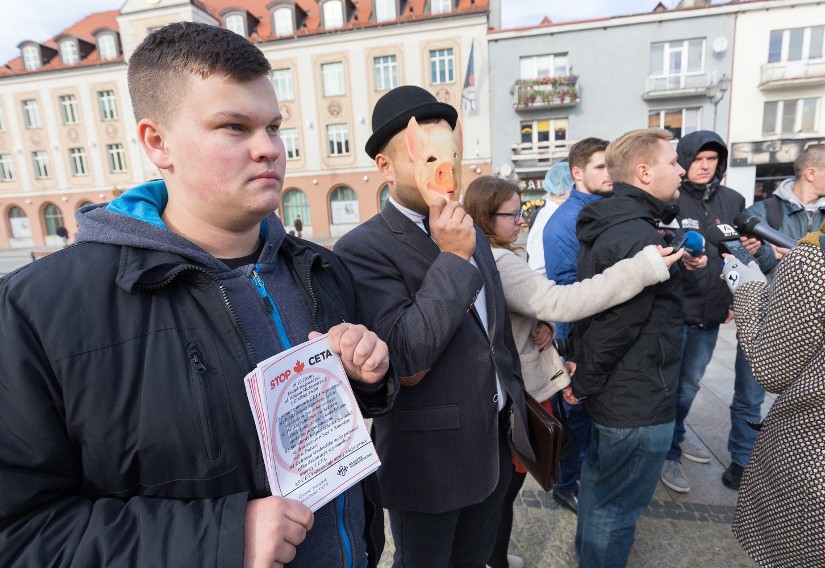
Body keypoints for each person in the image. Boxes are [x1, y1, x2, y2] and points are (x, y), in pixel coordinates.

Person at [0, 22, 398, 568]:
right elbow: (20, 532)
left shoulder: (319, 268)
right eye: (234, 127)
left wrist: (363, 376)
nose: (269, 150)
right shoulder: (39, 310)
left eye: (274, 126)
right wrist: (221, 539)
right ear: (156, 142)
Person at [334, 85, 535, 568]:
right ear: (385, 167)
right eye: (426, 159)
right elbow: (404, 360)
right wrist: (451, 257)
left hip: (492, 445)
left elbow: (495, 336)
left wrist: (516, 406)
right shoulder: (363, 249)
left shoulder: (467, 229)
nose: (447, 174)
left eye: (453, 156)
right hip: (429, 464)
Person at [463, 176, 682, 568]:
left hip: (505, 389)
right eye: (513, 214)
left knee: (501, 493)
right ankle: (491, 559)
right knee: (502, 493)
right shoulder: (501, 260)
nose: (521, 221)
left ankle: (493, 556)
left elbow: (511, 314)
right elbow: (563, 301)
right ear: (485, 216)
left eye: (522, 212)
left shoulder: (485, 254)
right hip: (516, 394)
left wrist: (535, 323)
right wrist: (642, 268)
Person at [721, 105, 825, 567]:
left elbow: (772, 371)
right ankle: (738, 456)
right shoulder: (767, 211)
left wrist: (750, 288)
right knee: (743, 398)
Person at [571, 128, 685, 567]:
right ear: (643, 171)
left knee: (600, 495)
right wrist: (584, 382)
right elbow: (616, 326)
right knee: (614, 512)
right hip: (637, 398)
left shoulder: (623, 223)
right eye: (672, 162)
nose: (679, 169)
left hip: (622, 392)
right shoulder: (637, 236)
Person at [661, 130, 761, 494]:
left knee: (690, 385)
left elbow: (742, 252)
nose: (705, 166)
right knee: (675, 387)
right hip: (675, 309)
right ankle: (669, 451)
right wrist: (680, 258)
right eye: (698, 159)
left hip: (712, 311)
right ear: (685, 160)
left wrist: (736, 296)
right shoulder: (670, 196)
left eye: (712, 160)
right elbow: (654, 248)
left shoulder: (733, 199)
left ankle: (676, 436)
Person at [541, 137, 612, 512]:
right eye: (601, 166)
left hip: (604, 340)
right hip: (580, 344)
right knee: (577, 422)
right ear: (577, 172)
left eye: (611, 165)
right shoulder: (565, 222)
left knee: (592, 422)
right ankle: (567, 485)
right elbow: (566, 295)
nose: (609, 172)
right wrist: (570, 354)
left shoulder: (609, 211)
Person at [747, 143, 825, 279]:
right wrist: (764, 253)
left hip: (824, 299)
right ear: (811, 174)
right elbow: (749, 267)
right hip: (778, 298)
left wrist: (790, 253)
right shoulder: (761, 212)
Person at [525, 162, 573, 275]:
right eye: (573, 185)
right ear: (560, 187)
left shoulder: (555, 213)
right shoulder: (546, 219)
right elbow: (537, 269)